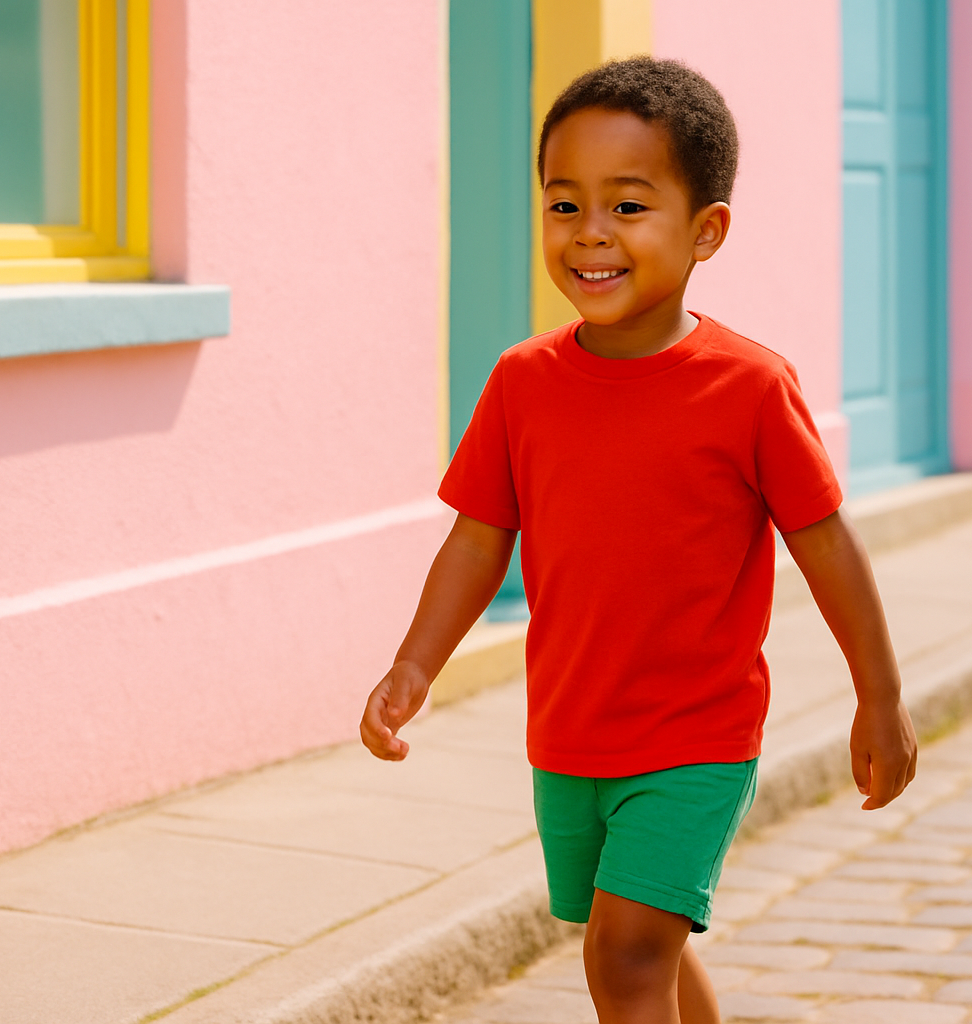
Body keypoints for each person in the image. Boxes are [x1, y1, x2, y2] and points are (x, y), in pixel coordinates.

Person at [361, 57, 917, 1024]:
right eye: (564, 205)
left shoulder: (747, 387)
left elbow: (826, 544)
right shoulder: (521, 382)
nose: (591, 236)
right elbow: (478, 535)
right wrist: (415, 665)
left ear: (707, 230)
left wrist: (880, 696)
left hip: (695, 738)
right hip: (570, 734)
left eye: (627, 206)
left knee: (624, 954)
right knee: (633, 944)